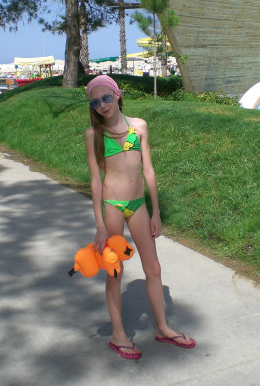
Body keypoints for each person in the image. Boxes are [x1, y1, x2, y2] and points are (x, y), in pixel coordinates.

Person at [84, 75, 195, 359]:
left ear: (117, 95)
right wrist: (99, 225)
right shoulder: (94, 135)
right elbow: (96, 181)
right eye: (95, 102)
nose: (102, 105)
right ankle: (118, 335)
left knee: (153, 268)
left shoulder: (139, 127)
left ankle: (163, 328)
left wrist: (156, 211)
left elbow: (148, 170)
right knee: (115, 270)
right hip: (113, 206)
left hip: (138, 206)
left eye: (106, 98)